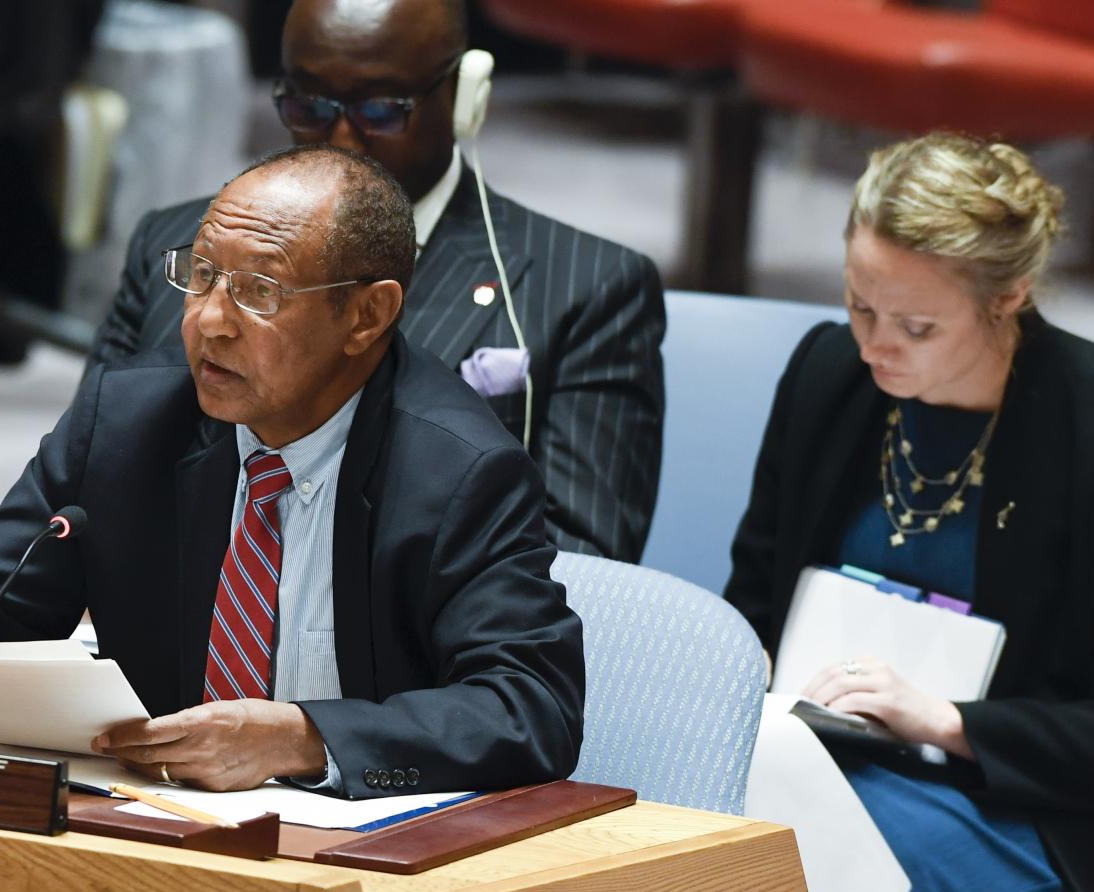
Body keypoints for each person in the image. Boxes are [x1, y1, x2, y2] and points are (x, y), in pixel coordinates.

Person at [0, 144, 584, 799]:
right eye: (201, 274)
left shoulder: (459, 472)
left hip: (360, 868)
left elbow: (530, 706)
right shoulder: (128, 422)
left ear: (367, 315)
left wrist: (303, 737)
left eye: (259, 291)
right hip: (147, 831)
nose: (210, 320)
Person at [87, 0, 665, 564]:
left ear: (464, 98)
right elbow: (88, 477)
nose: (341, 138)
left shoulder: (587, 289)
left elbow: (582, 563)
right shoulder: (176, 243)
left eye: (381, 110)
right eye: (309, 106)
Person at [725, 132, 1094, 892]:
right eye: (859, 305)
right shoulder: (829, 372)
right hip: (810, 752)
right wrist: (745, 665)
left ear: (1010, 297)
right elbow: (753, 596)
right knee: (652, 875)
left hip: (1015, 798)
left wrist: (945, 720)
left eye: (917, 326)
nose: (874, 345)